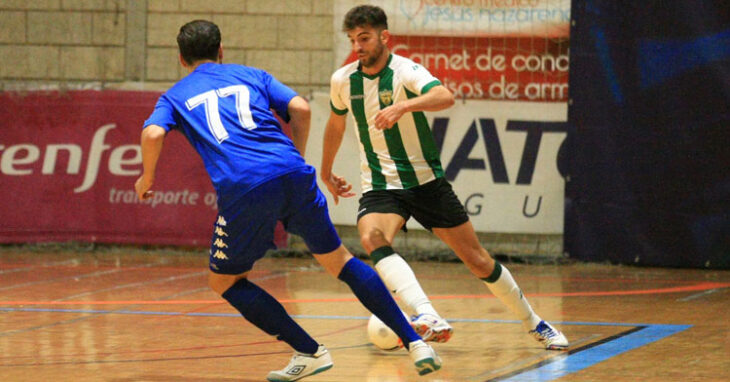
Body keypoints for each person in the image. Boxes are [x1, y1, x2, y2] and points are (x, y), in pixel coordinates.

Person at [135, 20, 442, 381]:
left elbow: (154, 132)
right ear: (221, 52)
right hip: (293, 173)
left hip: (245, 188)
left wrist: (148, 177)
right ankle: (415, 342)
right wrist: (292, 158)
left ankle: (310, 351)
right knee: (340, 261)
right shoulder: (252, 75)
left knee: (226, 281)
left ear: (181, 59)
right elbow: (301, 108)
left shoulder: (175, 94)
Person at [321, 5, 569, 351]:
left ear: (384, 37)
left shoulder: (406, 70)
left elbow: (444, 95)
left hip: (426, 182)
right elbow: (335, 123)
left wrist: (403, 106)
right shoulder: (343, 80)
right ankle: (427, 315)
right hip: (381, 184)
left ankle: (536, 323)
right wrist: (326, 169)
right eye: (352, 40)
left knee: (478, 260)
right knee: (372, 236)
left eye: (364, 38)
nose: (358, 46)